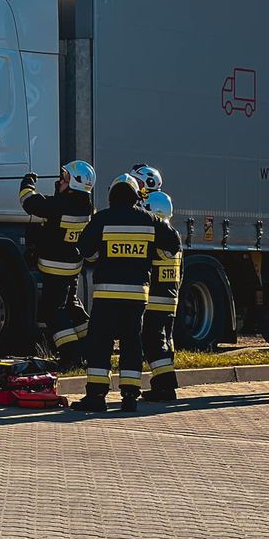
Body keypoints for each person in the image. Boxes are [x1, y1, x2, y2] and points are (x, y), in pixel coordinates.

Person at [72, 173, 182, 413]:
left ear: (112, 195)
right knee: (132, 344)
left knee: (100, 343)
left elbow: (85, 249)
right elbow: (174, 244)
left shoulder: (101, 219)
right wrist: (153, 254)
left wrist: (98, 256)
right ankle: (130, 397)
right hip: (136, 298)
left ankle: (97, 396)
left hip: (106, 295)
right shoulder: (150, 220)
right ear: (135, 196)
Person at [19, 161, 95, 371]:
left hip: (55, 267)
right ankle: (91, 348)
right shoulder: (85, 205)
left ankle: (71, 355)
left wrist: (28, 182)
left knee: (53, 311)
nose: (59, 181)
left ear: (75, 185)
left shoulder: (60, 205)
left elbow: (30, 202)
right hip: (72, 266)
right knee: (72, 306)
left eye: (64, 178)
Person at [140, 190, 182, 402]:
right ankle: (160, 385)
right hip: (170, 299)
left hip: (155, 301)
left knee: (153, 342)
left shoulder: (157, 238)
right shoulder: (174, 236)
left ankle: (166, 386)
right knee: (166, 341)